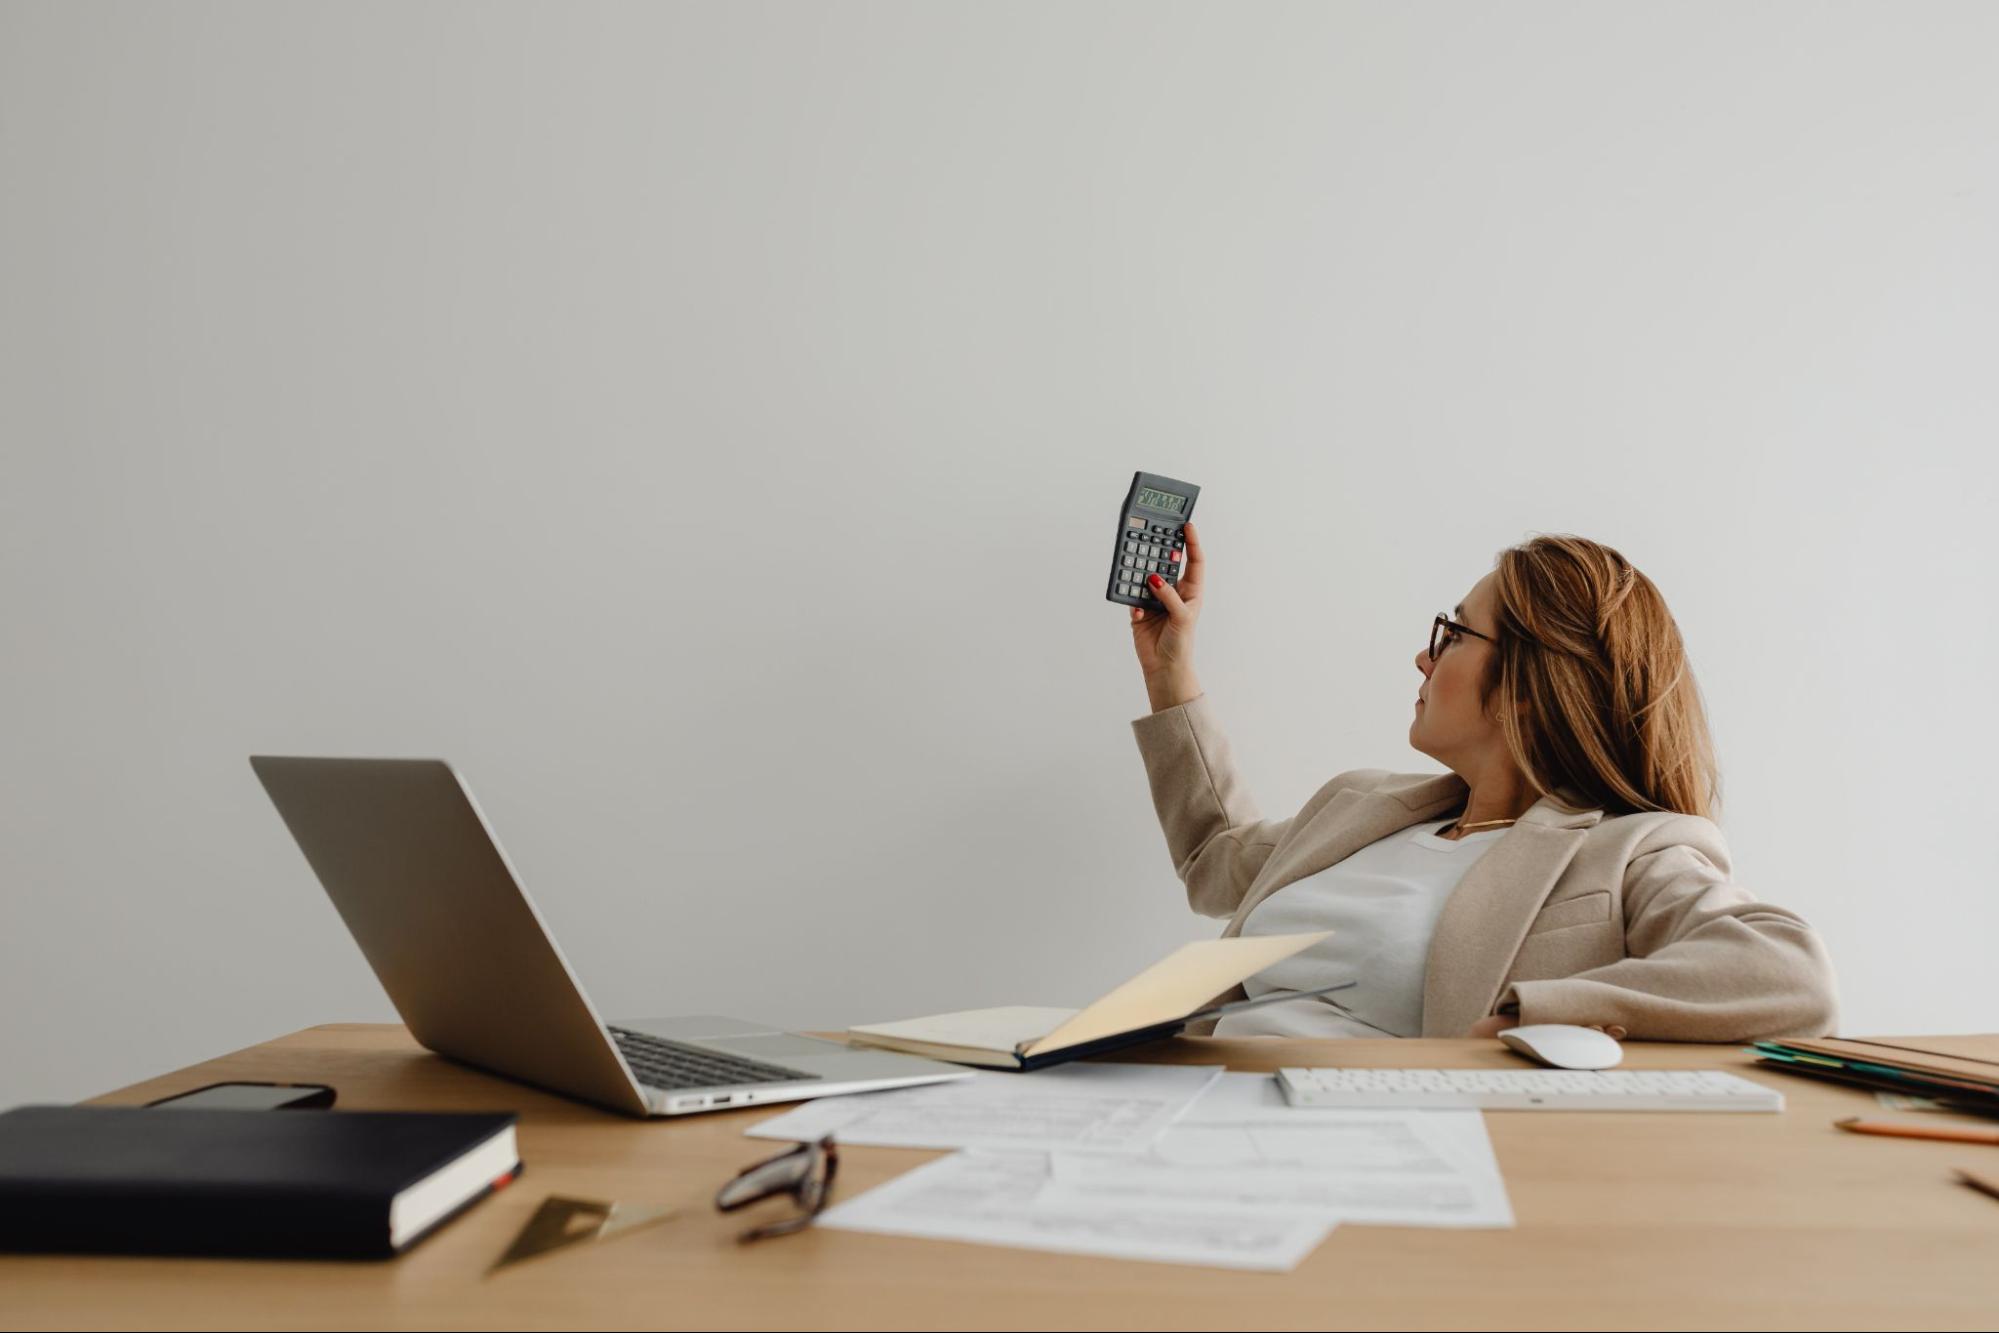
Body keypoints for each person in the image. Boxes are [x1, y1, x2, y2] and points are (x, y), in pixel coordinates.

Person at [1127, 523, 1838, 1041]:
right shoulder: (1362, 806)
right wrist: (1169, 668)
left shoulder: (1629, 851)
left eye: (1454, 634)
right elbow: (1213, 860)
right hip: (1187, 1100)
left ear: (1529, 682)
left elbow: (1782, 972)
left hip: (1363, 1146)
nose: (1422, 656)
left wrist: (1539, 1013)